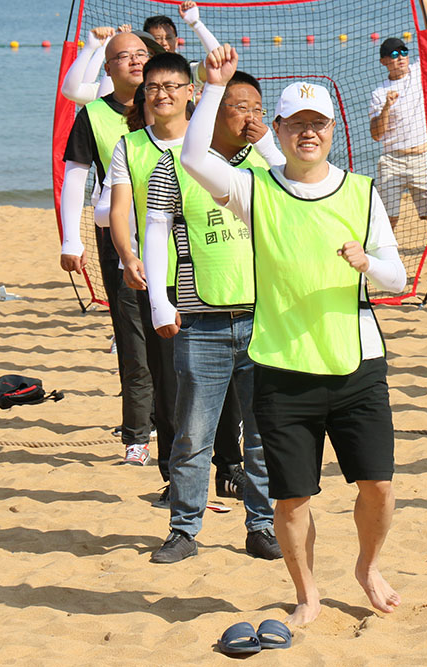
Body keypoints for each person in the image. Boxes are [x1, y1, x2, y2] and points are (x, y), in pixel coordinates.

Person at [182, 44, 407, 626]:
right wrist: (212, 87)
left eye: (319, 124)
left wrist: (367, 264)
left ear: (332, 130)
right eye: (297, 124)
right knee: (292, 499)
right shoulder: (256, 190)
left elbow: (398, 273)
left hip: (358, 363)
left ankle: (367, 566)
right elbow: (194, 159)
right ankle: (307, 594)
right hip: (282, 367)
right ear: (276, 130)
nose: (309, 134)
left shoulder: (361, 191)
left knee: (378, 488)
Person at [143, 66, 285, 563]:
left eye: (256, 107)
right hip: (200, 320)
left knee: (263, 435)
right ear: (212, 105)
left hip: (264, 318)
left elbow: (301, 195)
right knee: (192, 435)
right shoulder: (175, 165)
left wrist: (268, 143)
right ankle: (183, 529)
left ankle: (261, 526)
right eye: (237, 104)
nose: (248, 115)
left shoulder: (270, 165)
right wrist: (161, 301)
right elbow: (156, 230)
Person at [105, 51, 247, 495]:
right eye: (153, 87)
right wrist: (129, 257)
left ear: (192, 92)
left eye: (172, 87)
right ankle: (173, 473)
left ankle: (229, 465)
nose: (162, 95)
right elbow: (120, 211)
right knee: (169, 382)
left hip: (211, 274)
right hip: (157, 277)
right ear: (143, 94)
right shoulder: (131, 146)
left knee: (218, 377)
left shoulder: (208, 143)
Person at [59, 31, 159, 465]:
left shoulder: (173, 106)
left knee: (183, 338)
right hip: (118, 237)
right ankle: (137, 435)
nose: (135, 62)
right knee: (133, 339)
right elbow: (76, 177)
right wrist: (70, 238)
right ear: (109, 67)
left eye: (142, 55)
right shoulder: (94, 113)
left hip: (177, 235)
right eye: (124, 57)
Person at [369, 0, 427, 277]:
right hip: (391, 159)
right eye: (393, 53)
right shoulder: (379, 92)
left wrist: (423, 1)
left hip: (422, 157)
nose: (400, 56)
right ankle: (386, 267)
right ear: (383, 61)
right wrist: (387, 107)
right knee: (388, 220)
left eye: (403, 51)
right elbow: (376, 135)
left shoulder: (419, 74)